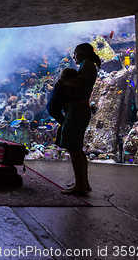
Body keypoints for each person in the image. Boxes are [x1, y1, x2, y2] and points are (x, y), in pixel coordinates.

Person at [57, 43, 101, 195]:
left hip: (77, 110)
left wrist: (62, 83)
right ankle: (83, 183)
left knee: (73, 148)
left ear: (82, 53)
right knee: (77, 149)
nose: (74, 56)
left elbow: (80, 82)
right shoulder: (89, 65)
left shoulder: (86, 64)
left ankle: (80, 185)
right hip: (80, 109)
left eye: (75, 53)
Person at [46, 67, 78, 144]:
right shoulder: (62, 86)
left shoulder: (60, 84)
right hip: (54, 109)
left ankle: (57, 140)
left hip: (51, 107)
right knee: (64, 124)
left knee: (63, 123)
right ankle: (60, 140)